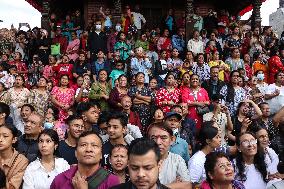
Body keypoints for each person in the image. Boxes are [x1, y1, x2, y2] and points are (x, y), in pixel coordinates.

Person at [50, 131, 120, 189]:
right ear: (76, 153)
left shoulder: (112, 181)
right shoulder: (60, 180)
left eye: (94, 145)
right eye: (83, 145)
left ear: (101, 154)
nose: (88, 149)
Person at [147, 122, 191, 188]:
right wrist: (174, 186)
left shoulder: (177, 160)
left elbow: (187, 185)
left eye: (163, 137)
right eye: (153, 138)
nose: (158, 142)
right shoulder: (143, 160)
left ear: (172, 140)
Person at [188, 122, 222, 186]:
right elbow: (191, 184)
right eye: (217, 137)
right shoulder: (196, 160)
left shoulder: (214, 155)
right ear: (208, 141)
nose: (220, 140)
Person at [0, 124, 29, 189]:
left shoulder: (21, 161)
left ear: (14, 139)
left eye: (5, 136)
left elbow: (12, 187)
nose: (0, 139)